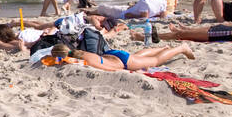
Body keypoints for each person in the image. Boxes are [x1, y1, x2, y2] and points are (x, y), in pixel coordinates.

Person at [49, 41, 194, 72]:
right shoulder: (78, 52)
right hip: (112, 54)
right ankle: (163, 48)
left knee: (155, 61)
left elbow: (107, 68)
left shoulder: (85, 61)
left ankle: (182, 47)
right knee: (137, 56)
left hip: (122, 62)